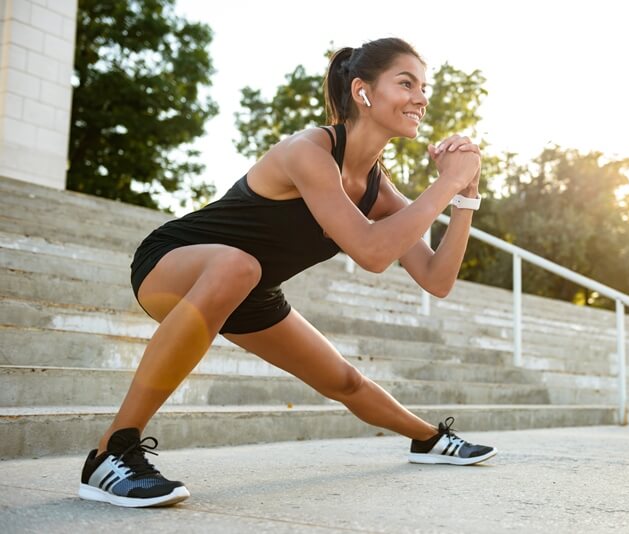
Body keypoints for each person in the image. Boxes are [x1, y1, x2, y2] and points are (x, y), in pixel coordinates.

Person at [79, 37, 496, 508]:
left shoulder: (378, 190)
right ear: (363, 92)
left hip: (248, 288)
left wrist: (465, 197)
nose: (421, 97)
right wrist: (446, 181)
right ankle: (110, 454)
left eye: (424, 87)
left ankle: (430, 439)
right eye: (406, 83)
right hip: (174, 261)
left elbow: (437, 280)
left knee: (344, 380)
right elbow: (371, 252)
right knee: (239, 264)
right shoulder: (309, 150)